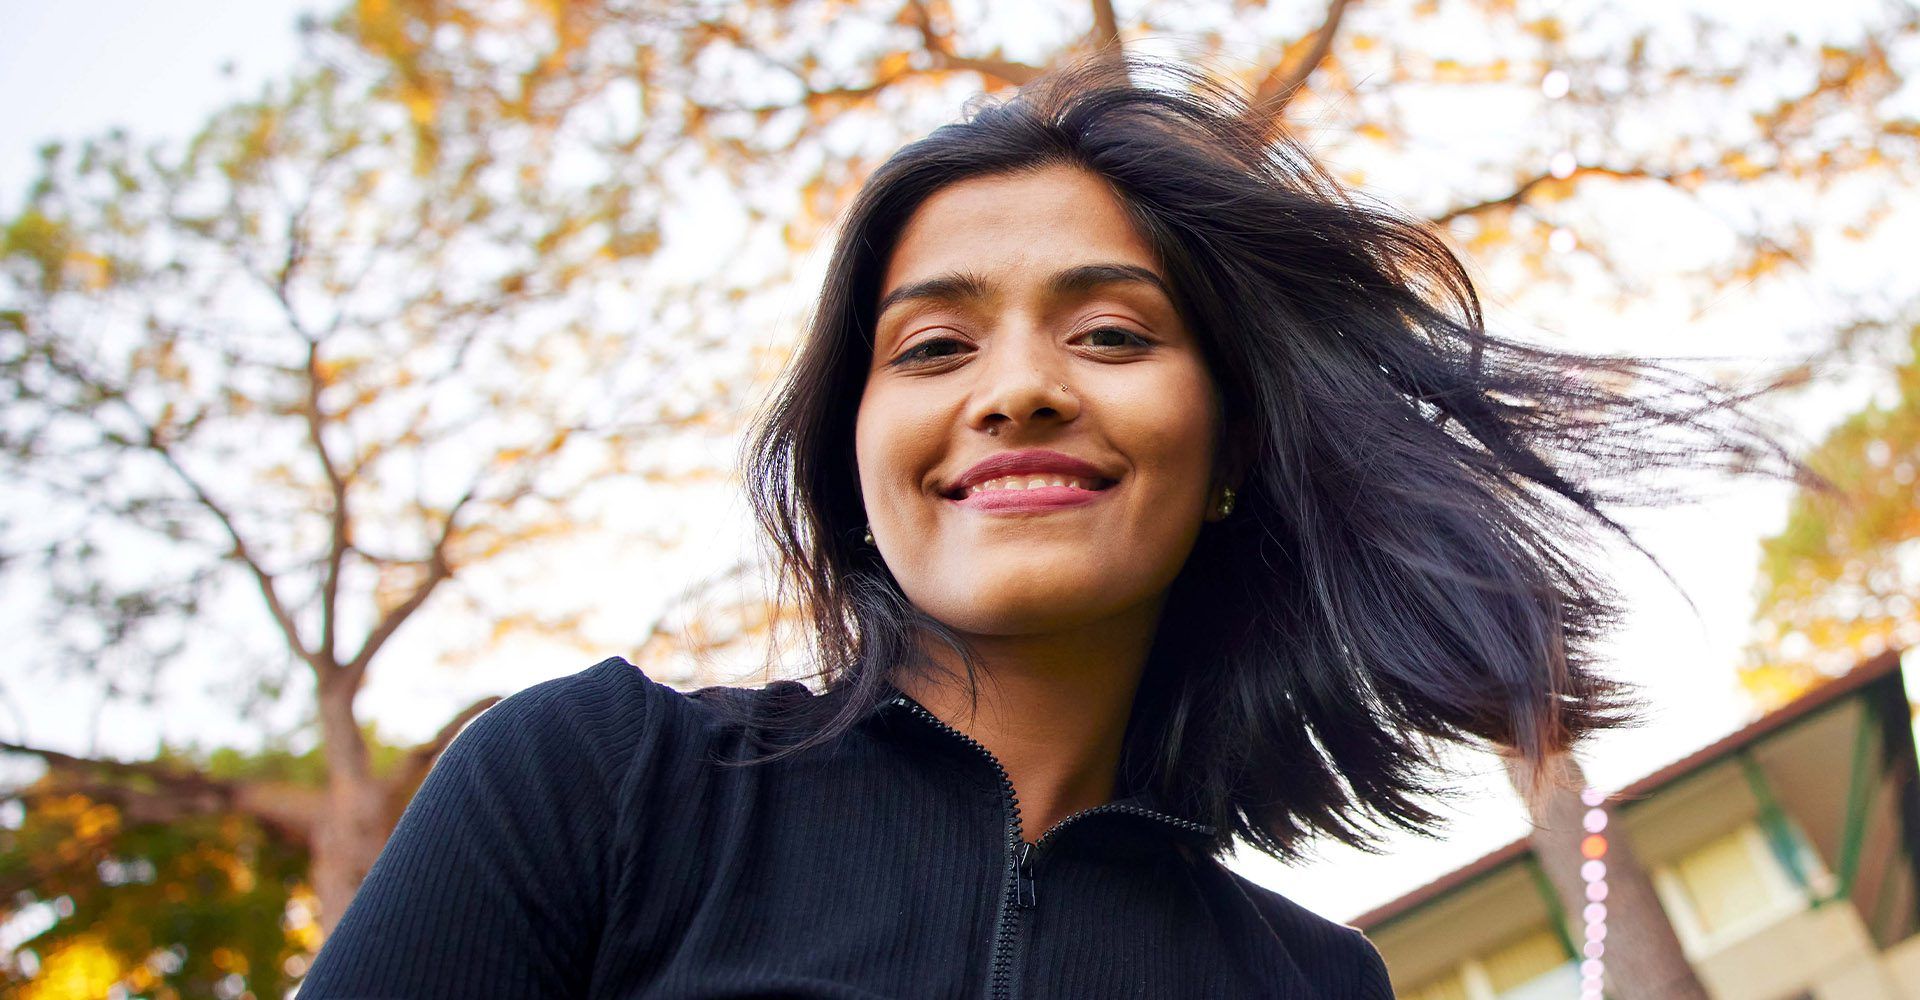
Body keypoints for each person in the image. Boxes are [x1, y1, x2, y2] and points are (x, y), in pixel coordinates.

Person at [298, 57, 1810, 999]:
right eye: (934, 349)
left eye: (1110, 335)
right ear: (859, 460)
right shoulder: (597, 781)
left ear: (1226, 451)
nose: (1015, 389)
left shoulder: (1308, 985)